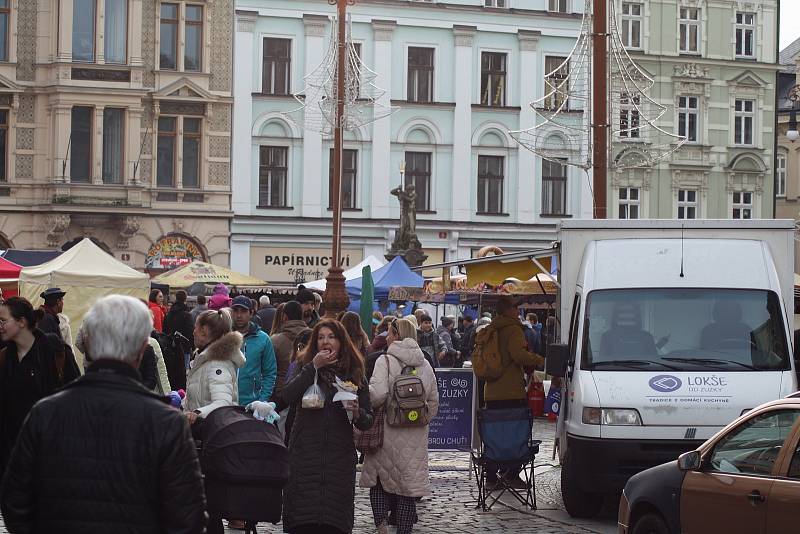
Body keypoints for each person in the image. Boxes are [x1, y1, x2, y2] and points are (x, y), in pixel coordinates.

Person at [0, 295, 206, 533]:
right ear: (142, 347)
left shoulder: (45, 413)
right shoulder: (167, 423)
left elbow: (15, 499)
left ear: (87, 342)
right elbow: (188, 517)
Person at [278, 319, 373, 534]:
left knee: (334, 523)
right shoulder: (305, 366)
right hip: (305, 455)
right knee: (304, 520)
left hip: (338, 459)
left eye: (331, 337)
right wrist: (314, 367)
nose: (325, 342)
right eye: (320, 337)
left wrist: (357, 411)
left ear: (341, 341)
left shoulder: (354, 371)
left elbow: (367, 421)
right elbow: (286, 396)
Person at [361, 318, 439, 534]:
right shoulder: (425, 364)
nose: (387, 336)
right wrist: (419, 421)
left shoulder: (385, 361)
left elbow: (377, 396)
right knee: (407, 488)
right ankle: (404, 531)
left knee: (378, 480)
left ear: (396, 335)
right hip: (415, 436)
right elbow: (433, 402)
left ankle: (381, 526)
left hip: (387, 431)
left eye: (389, 333)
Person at [0, 297, 80, 477]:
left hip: (51, 455)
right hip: (12, 458)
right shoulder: (4, 358)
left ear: (21, 322)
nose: (0, 325)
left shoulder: (56, 352)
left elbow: (76, 396)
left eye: (4, 321)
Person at [483, 297, 545, 488]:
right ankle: (511, 473)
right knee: (515, 434)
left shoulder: (492, 328)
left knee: (494, 435)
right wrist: (538, 359)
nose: (518, 311)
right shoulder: (513, 330)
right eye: (516, 307)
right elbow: (519, 355)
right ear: (508, 310)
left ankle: (491, 477)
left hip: (492, 390)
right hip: (510, 391)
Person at [183, 308, 245, 424]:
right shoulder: (204, 359)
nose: (193, 332)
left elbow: (223, 403)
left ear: (204, 330)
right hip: (203, 432)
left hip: (212, 433)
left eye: (195, 327)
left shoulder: (218, 364)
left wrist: (196, 413)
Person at [230, 295, 277, 407]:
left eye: (243, 311)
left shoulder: (263, 339)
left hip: (252, 404)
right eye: (235, 311)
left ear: (251, 313)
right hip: (225, 402)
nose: (239, 315)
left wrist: (262, 400)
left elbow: (270, 372)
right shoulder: (223, 337)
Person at [270, 301, 309, 402]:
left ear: (284, 317)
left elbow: (268, 369)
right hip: (307, 391)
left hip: (281, 392)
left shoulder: (275, 340)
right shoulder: (313, 336)